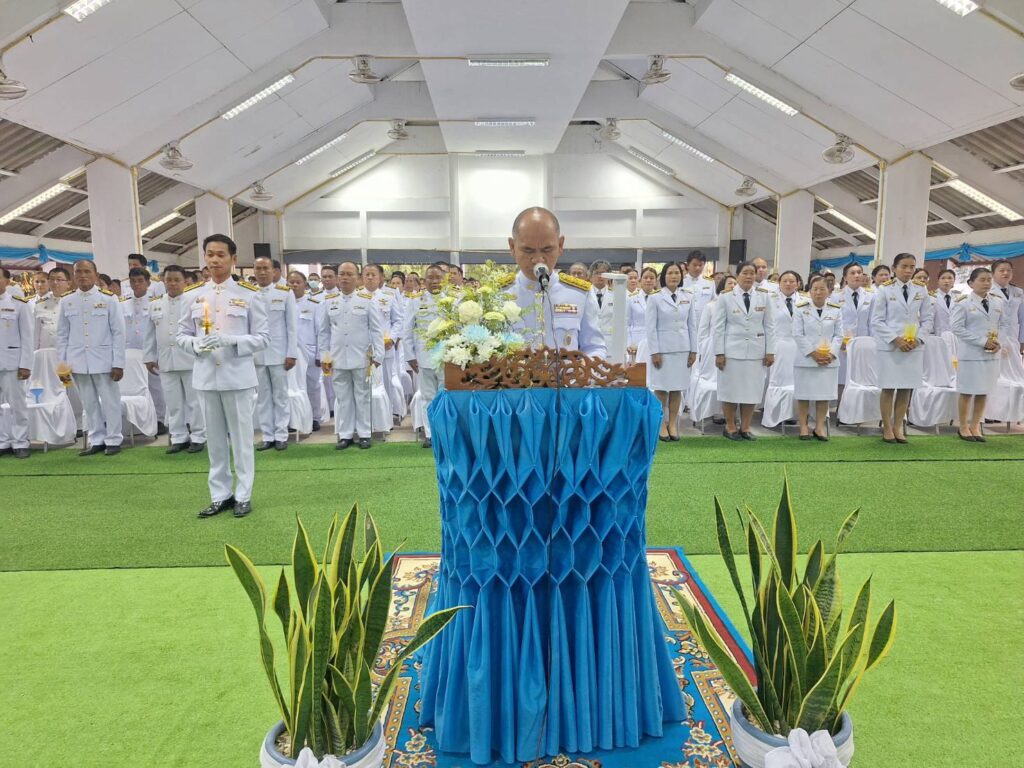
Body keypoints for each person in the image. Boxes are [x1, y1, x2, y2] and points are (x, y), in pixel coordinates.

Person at [176, 234, 269, 519]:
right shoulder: (192, 295)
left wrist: (232, 341)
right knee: (215, 442)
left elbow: (263, 338)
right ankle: (220, 495)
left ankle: (243, 495)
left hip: (237, 376)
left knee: (241, 441)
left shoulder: (249, 294)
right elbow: (181, 335)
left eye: (220, 255)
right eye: (210, 254)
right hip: (206, 376)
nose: (214, 260)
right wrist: (194, 344)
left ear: (233, 259)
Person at [508, 207, 606, 357]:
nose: (538, 259)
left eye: (547, 249)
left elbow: (595, 347)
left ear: (560, 245)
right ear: (512, 247)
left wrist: (581, 369)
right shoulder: (497, 295)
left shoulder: (579, 293)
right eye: (528, 250)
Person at [56, 260, 125, 456]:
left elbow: (118, 332)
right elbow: (62, 335)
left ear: (96, 275)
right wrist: (62, 366)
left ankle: (114, 439)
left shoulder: (109, 299)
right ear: (73, 276)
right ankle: (97, 439)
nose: (82, 275)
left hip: (104, 360)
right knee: (89, 403)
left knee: (110, 401)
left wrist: (118, 363)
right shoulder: (67, 300)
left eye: (87, 271)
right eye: (78, 272)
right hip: (78, 361)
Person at [317, 262, 384, 450]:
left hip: (361, 357)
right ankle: (345, 434)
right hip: (337, 358)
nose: (345, 278)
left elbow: (376, 330)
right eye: (342, 274)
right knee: (343, 398)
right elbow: (323, 332)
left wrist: (378, 355)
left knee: (363, 397)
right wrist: (324, 356)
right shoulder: (329, 301)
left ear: (358, 278)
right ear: (338, 277)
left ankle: (364, 434)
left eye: (349, 274)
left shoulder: (367, 300)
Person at [869, 253, 933, 444]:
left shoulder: (921, 289)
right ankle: (887, 427)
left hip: (913, 345)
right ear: (894, 268)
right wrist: (895, 339)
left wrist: (918, 339)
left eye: (911, 267)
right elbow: (877, 321)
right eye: (904, 266)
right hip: (891, 346)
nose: (908, 270)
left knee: (906, 388)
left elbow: (928, 319)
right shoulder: (884, 289)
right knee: (888, 387)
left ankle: (898, 426)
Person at [143, 265, 206, 454]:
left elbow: (200, 329)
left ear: (185, 281)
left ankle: (198, 436)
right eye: (168, 280)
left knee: (194, 402)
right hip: (166, 360)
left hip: (190, 359)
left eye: (176, 280)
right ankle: (179, 437)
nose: (172, 283)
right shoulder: (155, 304)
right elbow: (149, 334)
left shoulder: (193, 301)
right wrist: (149, 356)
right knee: (173, 403)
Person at [714, 261, 776, 440]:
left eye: (752, 273)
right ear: (738, 275)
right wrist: (719, 353)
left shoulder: (764, 296)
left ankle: (746, 427)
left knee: (752, 391)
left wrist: (770, 351)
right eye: (745, 273)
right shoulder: (726, 297)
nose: (749, 276)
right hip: (731, 351)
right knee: (730, 390)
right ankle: (730, 426)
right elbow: (718, 327)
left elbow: (770, 326)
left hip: (756, 351)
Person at [952, 267, 1009, 442]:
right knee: (967, 391)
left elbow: (1004, 325)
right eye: (982, 280)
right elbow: (957, 328)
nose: (986, 283)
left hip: (991, 353)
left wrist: (999, 342)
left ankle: (975, 425)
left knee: (984, 390)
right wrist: (982, 341)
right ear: (971, 283)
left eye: (989, 280)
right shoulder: (963, 302)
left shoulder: (998, 301)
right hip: (971, 353)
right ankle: (963, 426)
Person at [646, 262, 697, 441]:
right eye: (670, 273)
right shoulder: (655, 297)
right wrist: (654, 352)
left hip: (682, 349)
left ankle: (673, 423)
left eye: (677, 273)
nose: (674, 276)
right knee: (661, 388)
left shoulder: (688, 296)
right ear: (664, 276)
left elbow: (692, 325)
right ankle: (661, 423)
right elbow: (651, 328)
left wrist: (694, 350)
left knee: (677, 388)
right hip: (663, 350)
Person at [252, 255, 298, 451]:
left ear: (274, 271)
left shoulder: (285, 293)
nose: (262, 272)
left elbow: (292, 327)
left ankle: (281, 435)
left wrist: (291, 353)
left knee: (280, 395)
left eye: (266, 268)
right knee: (262, 397)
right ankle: (267, 435)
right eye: (258, 269)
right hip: (257, 354)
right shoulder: (249, 294)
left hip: (279, 353)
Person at [793, 275, 843, 441]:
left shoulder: (836, 309)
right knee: (803, 394)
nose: (818, 292)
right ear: (809, 291)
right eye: (815, 289)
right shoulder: (800, 308)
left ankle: (819, 427)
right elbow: (797, 334)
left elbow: (839, 335)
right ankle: (803, 426)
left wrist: (831, 354)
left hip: (828, 359)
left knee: (824, 395)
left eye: (822, 289)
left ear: (829, 291)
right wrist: (813, 353)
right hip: (806, 359)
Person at [403, 264, 446, 448]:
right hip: (424, 358)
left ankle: (445, 432)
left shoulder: (453, 299)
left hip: (447, 357)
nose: (434, 281)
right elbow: (407, 330)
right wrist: (410, 356)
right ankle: (430, 434)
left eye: (438, 278)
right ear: (424, 281)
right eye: (431, 278)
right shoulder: (415, 301)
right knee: (427, 397)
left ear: (444, 279)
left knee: (445, 397)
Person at [122, 267, 167, 433]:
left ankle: (160, 418)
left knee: (156, 385)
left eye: (140, 281)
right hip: (130, 350)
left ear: (148, 283)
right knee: (136, 385)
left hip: (150, 349)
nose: (137, 284)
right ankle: (138, 420)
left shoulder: (156, 303)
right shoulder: (123, 304)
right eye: (133, 281)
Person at [363, 264, 405, 424]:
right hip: (363, 349)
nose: (370, 277)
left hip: (385, 348)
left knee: (386, 384)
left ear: (380, 278)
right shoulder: (358, 297)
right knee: (364, 385)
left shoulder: (389, 295)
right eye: (367, 274)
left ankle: (387, 419)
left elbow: (398, 320)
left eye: (373, 274)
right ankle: (367, 420)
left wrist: (392, 339)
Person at [0, 268, 33, 458]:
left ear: (7, 281)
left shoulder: (19, 304)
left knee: (17, 405)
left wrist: (26, 364)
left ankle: (21, 442)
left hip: (12, 363)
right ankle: (2, 441)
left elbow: (27, 337)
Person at [288, 270, 321, 431]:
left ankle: (314, 417)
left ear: (304, 285)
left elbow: (320, 331)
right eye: (291, 282)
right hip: (289, 352)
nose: (294, 285)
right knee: (291, 388)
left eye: (298, 282)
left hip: (310, 351)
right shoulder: (282, 303)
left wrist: (320, 354)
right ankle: (293, 420)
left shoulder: (313, 304)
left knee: (312, 386)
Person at [989, 259, 1024, 356]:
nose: (1006, 273)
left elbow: (1022, 318)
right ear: (992, 274)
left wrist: (1022, 340)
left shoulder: (1018, 292)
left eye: (1009, 270)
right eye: (1002, 270)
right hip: (994, 339)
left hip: (1014, 336)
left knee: (1014, 364)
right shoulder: (987, 291)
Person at [682, 250, 716, 329]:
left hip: (704, 322)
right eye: (694, 265)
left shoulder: (710, 282)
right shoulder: (681, 281)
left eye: (700, 265)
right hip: (686, 322)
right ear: (688, 265)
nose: (697, 268)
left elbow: (713, 302)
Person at [30, 268, 63, 350]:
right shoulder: (29, 303)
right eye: (37, 282)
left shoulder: (57, 298)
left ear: (49, 282)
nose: (39, 285)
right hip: (40, 344)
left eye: (43, 281)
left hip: (57, 344)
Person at [589, 260, 615, 337]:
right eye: (597, 273)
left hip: (610, 338)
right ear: (591, 276)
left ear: (609, 276)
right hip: (590, 337)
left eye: (603, 273)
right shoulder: (585, 294)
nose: (600, 276)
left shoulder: (615, 294)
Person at [931, 269, 959, 337]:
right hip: (937, 336)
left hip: (955, 337)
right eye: (943, 278)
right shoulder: (930, 297)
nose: (946, 281)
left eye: (950, 278)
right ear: (938, 281)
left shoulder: (959, 298)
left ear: (954, 281)